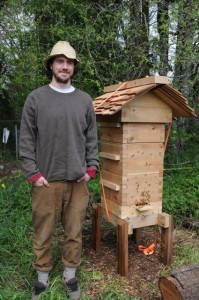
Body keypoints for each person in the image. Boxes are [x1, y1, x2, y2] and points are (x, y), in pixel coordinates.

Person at [19, 41, 99, 300]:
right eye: (60, 61)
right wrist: (33, 173)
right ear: (51, 65)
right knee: (43, 231)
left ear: (74, 67)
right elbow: (27, 139)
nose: (65, 66)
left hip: (78, 181)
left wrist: (91, 168)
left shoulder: (84, 100)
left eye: (70, 62)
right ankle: (42, 279)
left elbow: (91, 139)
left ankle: (70, 276)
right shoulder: (36, 98)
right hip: (46, 181)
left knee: (74, 231)